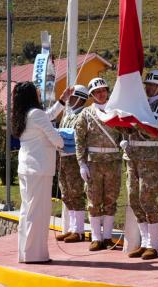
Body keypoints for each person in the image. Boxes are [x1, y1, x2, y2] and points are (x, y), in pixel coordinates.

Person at [12, 81, 64, 263]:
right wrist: (62, 142)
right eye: (36, 90)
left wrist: (61, 102)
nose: (39, 92)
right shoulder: (36, 113)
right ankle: (35, 255)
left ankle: (25, 252)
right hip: (39, 168)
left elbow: (47, 116)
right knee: (38, 213)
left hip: (27, 168)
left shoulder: (23, 114)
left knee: (27, 211)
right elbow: (55, 137)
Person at [125, 69, 158, 260]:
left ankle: (153, 244)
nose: (148, 88)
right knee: (134, 199)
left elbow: (153, 129)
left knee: (147, 199)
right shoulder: (142, 104)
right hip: (134, 157)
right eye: (148, 85)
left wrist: (133, 122)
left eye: (152, 85)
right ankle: (145, 242)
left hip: (150, 159)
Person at [75, 77, 122, 251]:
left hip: (113, 162)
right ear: (91, 95)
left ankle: (107, 237)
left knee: (111, 200)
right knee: (93, 200)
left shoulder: (116, 111)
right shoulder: (86, 114)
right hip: (93, 163)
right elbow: (79, 140)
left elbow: (124, 133)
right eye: (97, 92)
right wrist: (81, 163)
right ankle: (96, 237)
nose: (101, 94)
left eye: (103, 90)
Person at [54, 85, 90, 243]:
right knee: (66, 194)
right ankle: (72, 228)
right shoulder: (67, 115)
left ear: (81, 99)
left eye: (73, 97)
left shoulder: (83, 115)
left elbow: (77, 136)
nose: (70, 100)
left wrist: (59, 134)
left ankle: (78, 230)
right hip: (63, 158)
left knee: (76, 193)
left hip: (74, 158)